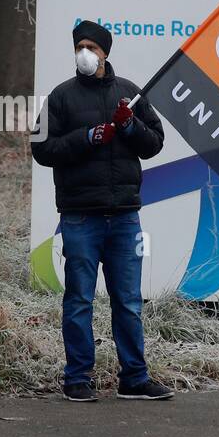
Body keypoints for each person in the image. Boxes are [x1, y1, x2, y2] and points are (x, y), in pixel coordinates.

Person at [31, 20, 172, 402]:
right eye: (80, 46)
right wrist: (87, 137)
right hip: (79, 217)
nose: (85, 53)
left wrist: (129, 128)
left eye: (92, 46)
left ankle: (135, 378)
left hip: (125, 217)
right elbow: (41, 148)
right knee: (79, 300)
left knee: (127, 301)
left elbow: (154, 143)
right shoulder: (60, 97)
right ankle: (77, 378)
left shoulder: (131, 95)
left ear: (106, 52)